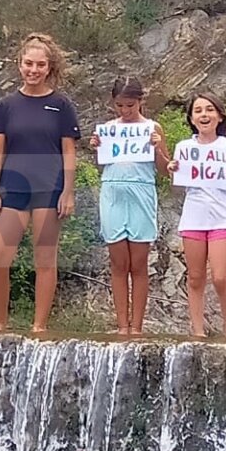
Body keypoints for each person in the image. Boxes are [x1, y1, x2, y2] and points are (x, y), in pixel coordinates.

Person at [0, 34, 80, 336]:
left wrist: (68, 191)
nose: (34, 70)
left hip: (49, 189)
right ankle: (0, 321)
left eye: (40, 65)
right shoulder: (6, 106)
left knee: (45, 259)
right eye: (29, 63)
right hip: (12, 189)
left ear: (49, 67)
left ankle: (39, 325)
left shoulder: (61, 105)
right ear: (19, 64)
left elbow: (69, 152)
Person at [173, 92, 226, 339]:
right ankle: (197, 331)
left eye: (209, 109)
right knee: (195, 277)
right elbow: (177, 186)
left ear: (219, 116)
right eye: (198, 110)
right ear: (191, 118)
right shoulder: (184, 148)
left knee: (219, 276)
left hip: (222, 217)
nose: (204, 115)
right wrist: (172, 169)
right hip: (193, 217)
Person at [94, 77, 168, 337]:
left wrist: (157, 147)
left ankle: (137, 326)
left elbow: (164, 169)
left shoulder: (152, 127)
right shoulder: (108, 128)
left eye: (130, 105)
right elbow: (104, 164)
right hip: (113, 190)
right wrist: (98, 148)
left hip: (141, 190)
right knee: (118, 261)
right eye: (120, 106)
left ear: (140, 102)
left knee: (138, 263)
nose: (125, 111)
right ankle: (122, 325)